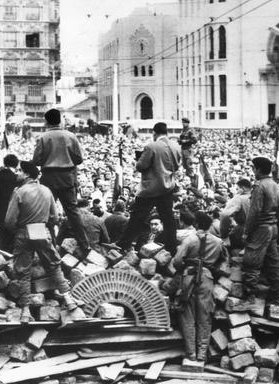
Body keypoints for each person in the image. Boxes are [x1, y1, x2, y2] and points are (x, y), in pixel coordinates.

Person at [5, 161, 78, 323]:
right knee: (54, 265)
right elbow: (55, 218)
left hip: (23, 233)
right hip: (42, 231)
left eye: (19, 171)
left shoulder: (19, 192)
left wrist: (19, 232)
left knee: (23, 271)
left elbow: (9, 221)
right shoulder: (47, 191)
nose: (17, 174)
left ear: (26, 174)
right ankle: (68, 299)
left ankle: (25, 310)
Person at [32, 108, 91, 256]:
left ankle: (41, 245)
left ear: (46, 121)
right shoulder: (71, 136)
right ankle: (85, 245)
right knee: (73, 213)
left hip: (48, 178)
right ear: (60, 120)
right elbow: (79, 159)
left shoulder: (42, 137)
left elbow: (36, 160)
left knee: (43, 213)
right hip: (67, 178)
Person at [116, 122, 181, 255]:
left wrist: (138, 160)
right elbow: (176, 166)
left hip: (150, 189)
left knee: (137, 218)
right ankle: (171, 247)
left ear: (154, 133)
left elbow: (141, 166)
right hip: (168, 187)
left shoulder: (152, 146)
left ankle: (123, 243)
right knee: (168, 219)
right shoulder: (176, 146)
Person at [173, 211, 227, 364]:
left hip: (188, 278)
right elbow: (224, 261)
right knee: (205, 316)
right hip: (207, 278)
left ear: (196, 224)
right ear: (210, 225)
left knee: (186, 315)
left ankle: (190, 353)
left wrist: (186, 266)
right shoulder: (218, 242)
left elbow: (177, 261)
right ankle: (202, 354)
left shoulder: (189, 240)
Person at [242, 157, 279, 307]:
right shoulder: (274, 184)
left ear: (258, 170)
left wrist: (246, 232)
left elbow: (254, 212)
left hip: (261, 228)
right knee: (273, 263)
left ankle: (250, 298)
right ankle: (278, 298)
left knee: (251, 263)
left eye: (254, 168)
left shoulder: (259, 186)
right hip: (273, 227)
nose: (253, 171)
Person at [220, 178, 252, 249]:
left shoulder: (239, 198)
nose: (236, 191)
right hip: (258, 230)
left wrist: (224, 236)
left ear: (243, 188)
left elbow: (224, 215)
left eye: (237, 189)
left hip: (242, 230)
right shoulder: (257, 196)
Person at [178, 118, 197, 183]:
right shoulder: (183, 130)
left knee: (189, 165)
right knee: (184, 165)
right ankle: (187, 178)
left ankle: (192, 180)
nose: (183, 124)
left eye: (184, 122)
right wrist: (180, 141)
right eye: (182, 122)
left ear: (187, 123)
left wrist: (185, 141)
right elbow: (181, 138)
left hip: (188, 149)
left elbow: (194, 140)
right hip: (183, 148)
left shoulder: (190, 130)